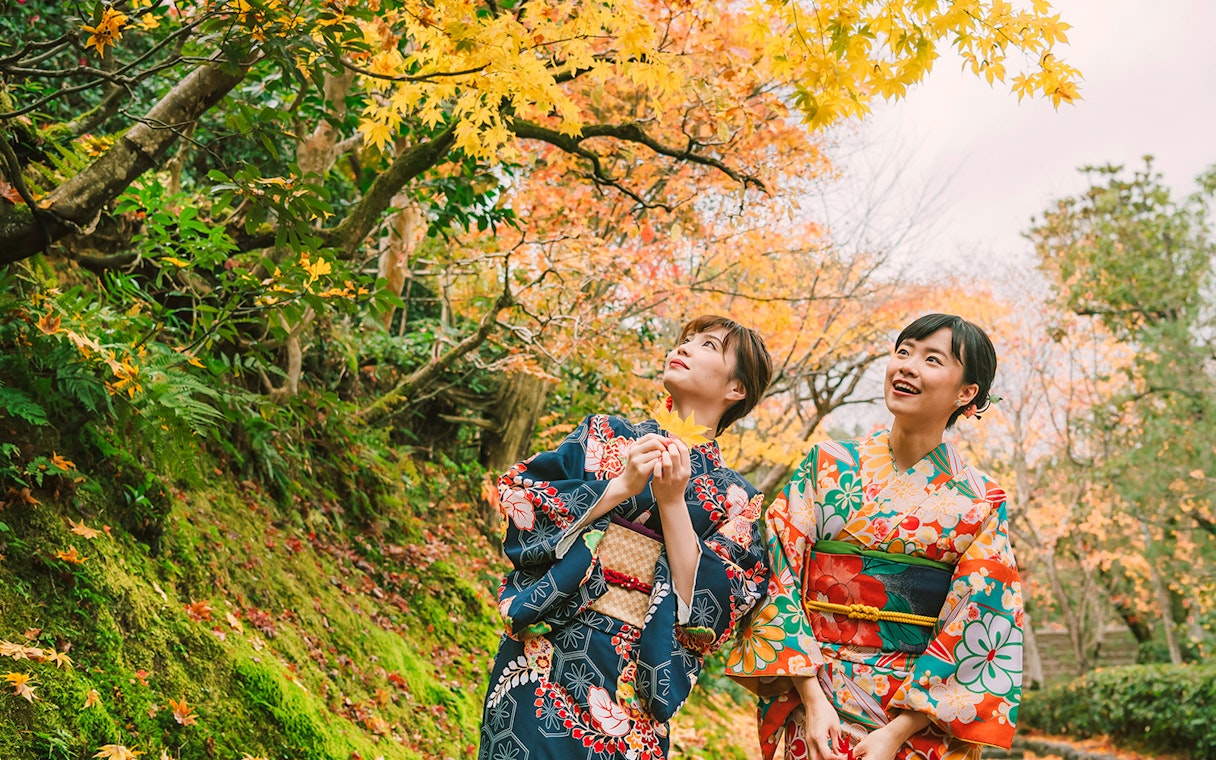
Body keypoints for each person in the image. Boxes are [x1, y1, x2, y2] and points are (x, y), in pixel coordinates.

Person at [727, 313, 1023, 760]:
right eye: (902, 352)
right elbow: (777, 570)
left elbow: (981, 619)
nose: (906, 365)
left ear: (966, 393)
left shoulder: (981, 500)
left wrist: (898, 731)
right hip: (813, 692)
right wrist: (811, 696)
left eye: (931, 359)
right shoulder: (826, 464)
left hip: (913, 713)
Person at [478, 315, 774, 760]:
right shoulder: (605, 434)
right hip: (546, 648)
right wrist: (619, 487)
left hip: (634, 672)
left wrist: (673, 504)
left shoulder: (738, 500)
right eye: (686, 338)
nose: (686, 347)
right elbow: (524, 499)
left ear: (737, 389)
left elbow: (713, 612)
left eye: (708, 345)